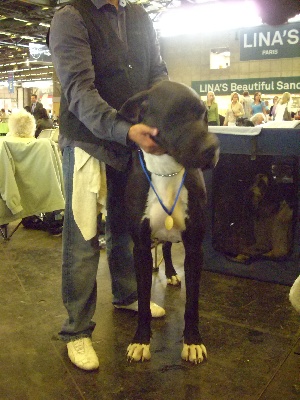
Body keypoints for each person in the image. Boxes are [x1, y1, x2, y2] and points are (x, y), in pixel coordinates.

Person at [49, 0, 168, 371]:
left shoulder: (138, 15)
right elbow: (79, 91)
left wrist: (161, 109)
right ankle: (77, 330)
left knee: (127, 224)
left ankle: (127, 293)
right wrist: (123, 129)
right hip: (88, 142)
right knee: (84, 235)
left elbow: (158, 71)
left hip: (132, 141)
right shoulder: (70, 17)